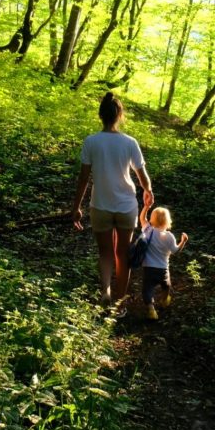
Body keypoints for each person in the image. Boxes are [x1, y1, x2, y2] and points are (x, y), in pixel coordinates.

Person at [71, 92, 154, 306]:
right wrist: (148, 191)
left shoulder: (91, 141)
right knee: (123, 252)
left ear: (101, 115)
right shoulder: (130, 142)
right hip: (126, 206)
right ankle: (119, 299)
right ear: (119, 115)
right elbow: (142, 176)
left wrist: (76, 207)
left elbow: (83, 178)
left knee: (106, 252)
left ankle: (105, 291)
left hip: (100, 205)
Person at [138, 202, 187, 320]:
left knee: (147, 289)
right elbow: (175, 251)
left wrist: (146, 207)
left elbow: (142, 218)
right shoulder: (169, 236)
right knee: (166, 286)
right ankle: (164, 300)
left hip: (148, 268)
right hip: (163, 269)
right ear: (168, 221)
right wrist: (183, 241)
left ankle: (151, 309)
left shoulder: (148, 230)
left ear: (152, 219)